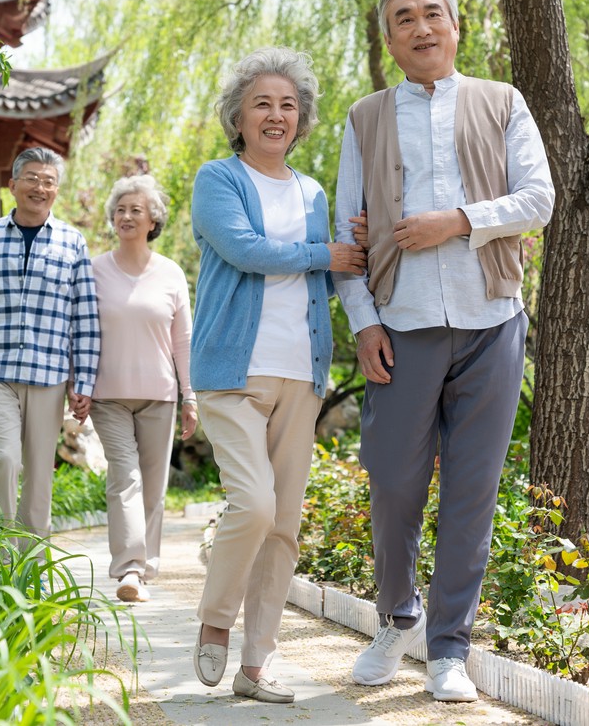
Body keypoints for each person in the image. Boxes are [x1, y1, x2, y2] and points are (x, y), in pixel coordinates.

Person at [333, 0, 555, 703]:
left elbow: (539, 199)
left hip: (492, 322)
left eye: (434, 14)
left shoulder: (503, 101)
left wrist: (457, 220)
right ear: (389, 38)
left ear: (456, 26)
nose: (422, 27)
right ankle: (398, 617)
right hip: (401, 327)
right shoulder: (364, 118)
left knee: (471, 492)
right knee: (394, 482)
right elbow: (347, 238)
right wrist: (363, 322)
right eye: (404, 18)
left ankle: (448, 647)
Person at [189, 47, 366, 704]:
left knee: (284, 522)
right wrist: (328, 252)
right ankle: (215, 617)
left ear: (302, 118)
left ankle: (256, 663)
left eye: (288, 104)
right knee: (253, 503)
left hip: (301, 370)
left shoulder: (312, 192)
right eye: (262, 102)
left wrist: (358, 245)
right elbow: (245, 248)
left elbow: (336, 261)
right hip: (231, 370)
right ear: (237, 114)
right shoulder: (218, 178)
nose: (276, 114)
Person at [0, 146, 100, 555]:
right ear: (12, 186)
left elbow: (84, 320)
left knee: (39, 478)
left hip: (49, 376)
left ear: (56, 190)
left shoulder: (73, 243)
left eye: (48, 181)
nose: (39, 187)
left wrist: (82, 382)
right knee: (5, 460)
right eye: (31, 178)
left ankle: (33, 569)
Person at [91, 174, 197, 604]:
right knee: (126, 479)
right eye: (120, 209)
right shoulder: (93, 269)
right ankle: (129, 569)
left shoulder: (170, 273)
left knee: (153, 488)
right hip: (108, 394)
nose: (127, 216)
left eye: (136, 209)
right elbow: (81, 332)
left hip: (160, 394)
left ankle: (145, 565)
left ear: (153, 219)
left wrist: (190, 396)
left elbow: (183, 340)